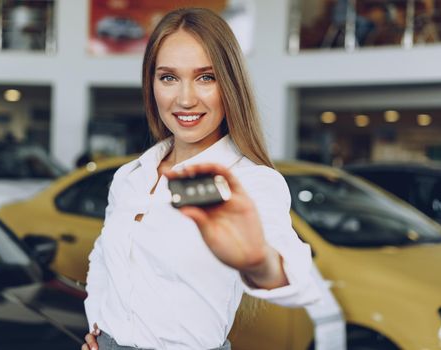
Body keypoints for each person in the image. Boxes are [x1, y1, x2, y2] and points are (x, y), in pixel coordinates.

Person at [82, 7, 320, 350]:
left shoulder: (251, 182)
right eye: (168, 77)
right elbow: (103, 259)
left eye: (205, 77)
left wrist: (258, 261)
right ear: (152, 84)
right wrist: (98, 330)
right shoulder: (130, 177)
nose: (185, 98)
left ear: (230, 84)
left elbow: (294, 276)